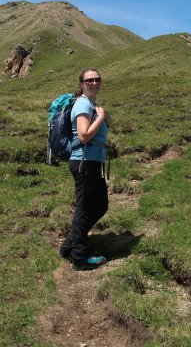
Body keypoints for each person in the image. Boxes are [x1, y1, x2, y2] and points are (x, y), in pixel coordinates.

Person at [59, 68, 112, 270]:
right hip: (84, 162)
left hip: (92, 161)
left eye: (97, 79)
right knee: (85, 208)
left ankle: (69, 246)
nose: (94, 82)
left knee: (100, 205)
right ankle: (79, 257)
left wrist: (103, 114)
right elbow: (83, 136)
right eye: (89, 80)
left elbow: (108, 123)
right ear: (81, 84)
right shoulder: (82, 103)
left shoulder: (92, 104)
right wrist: (99, 118)